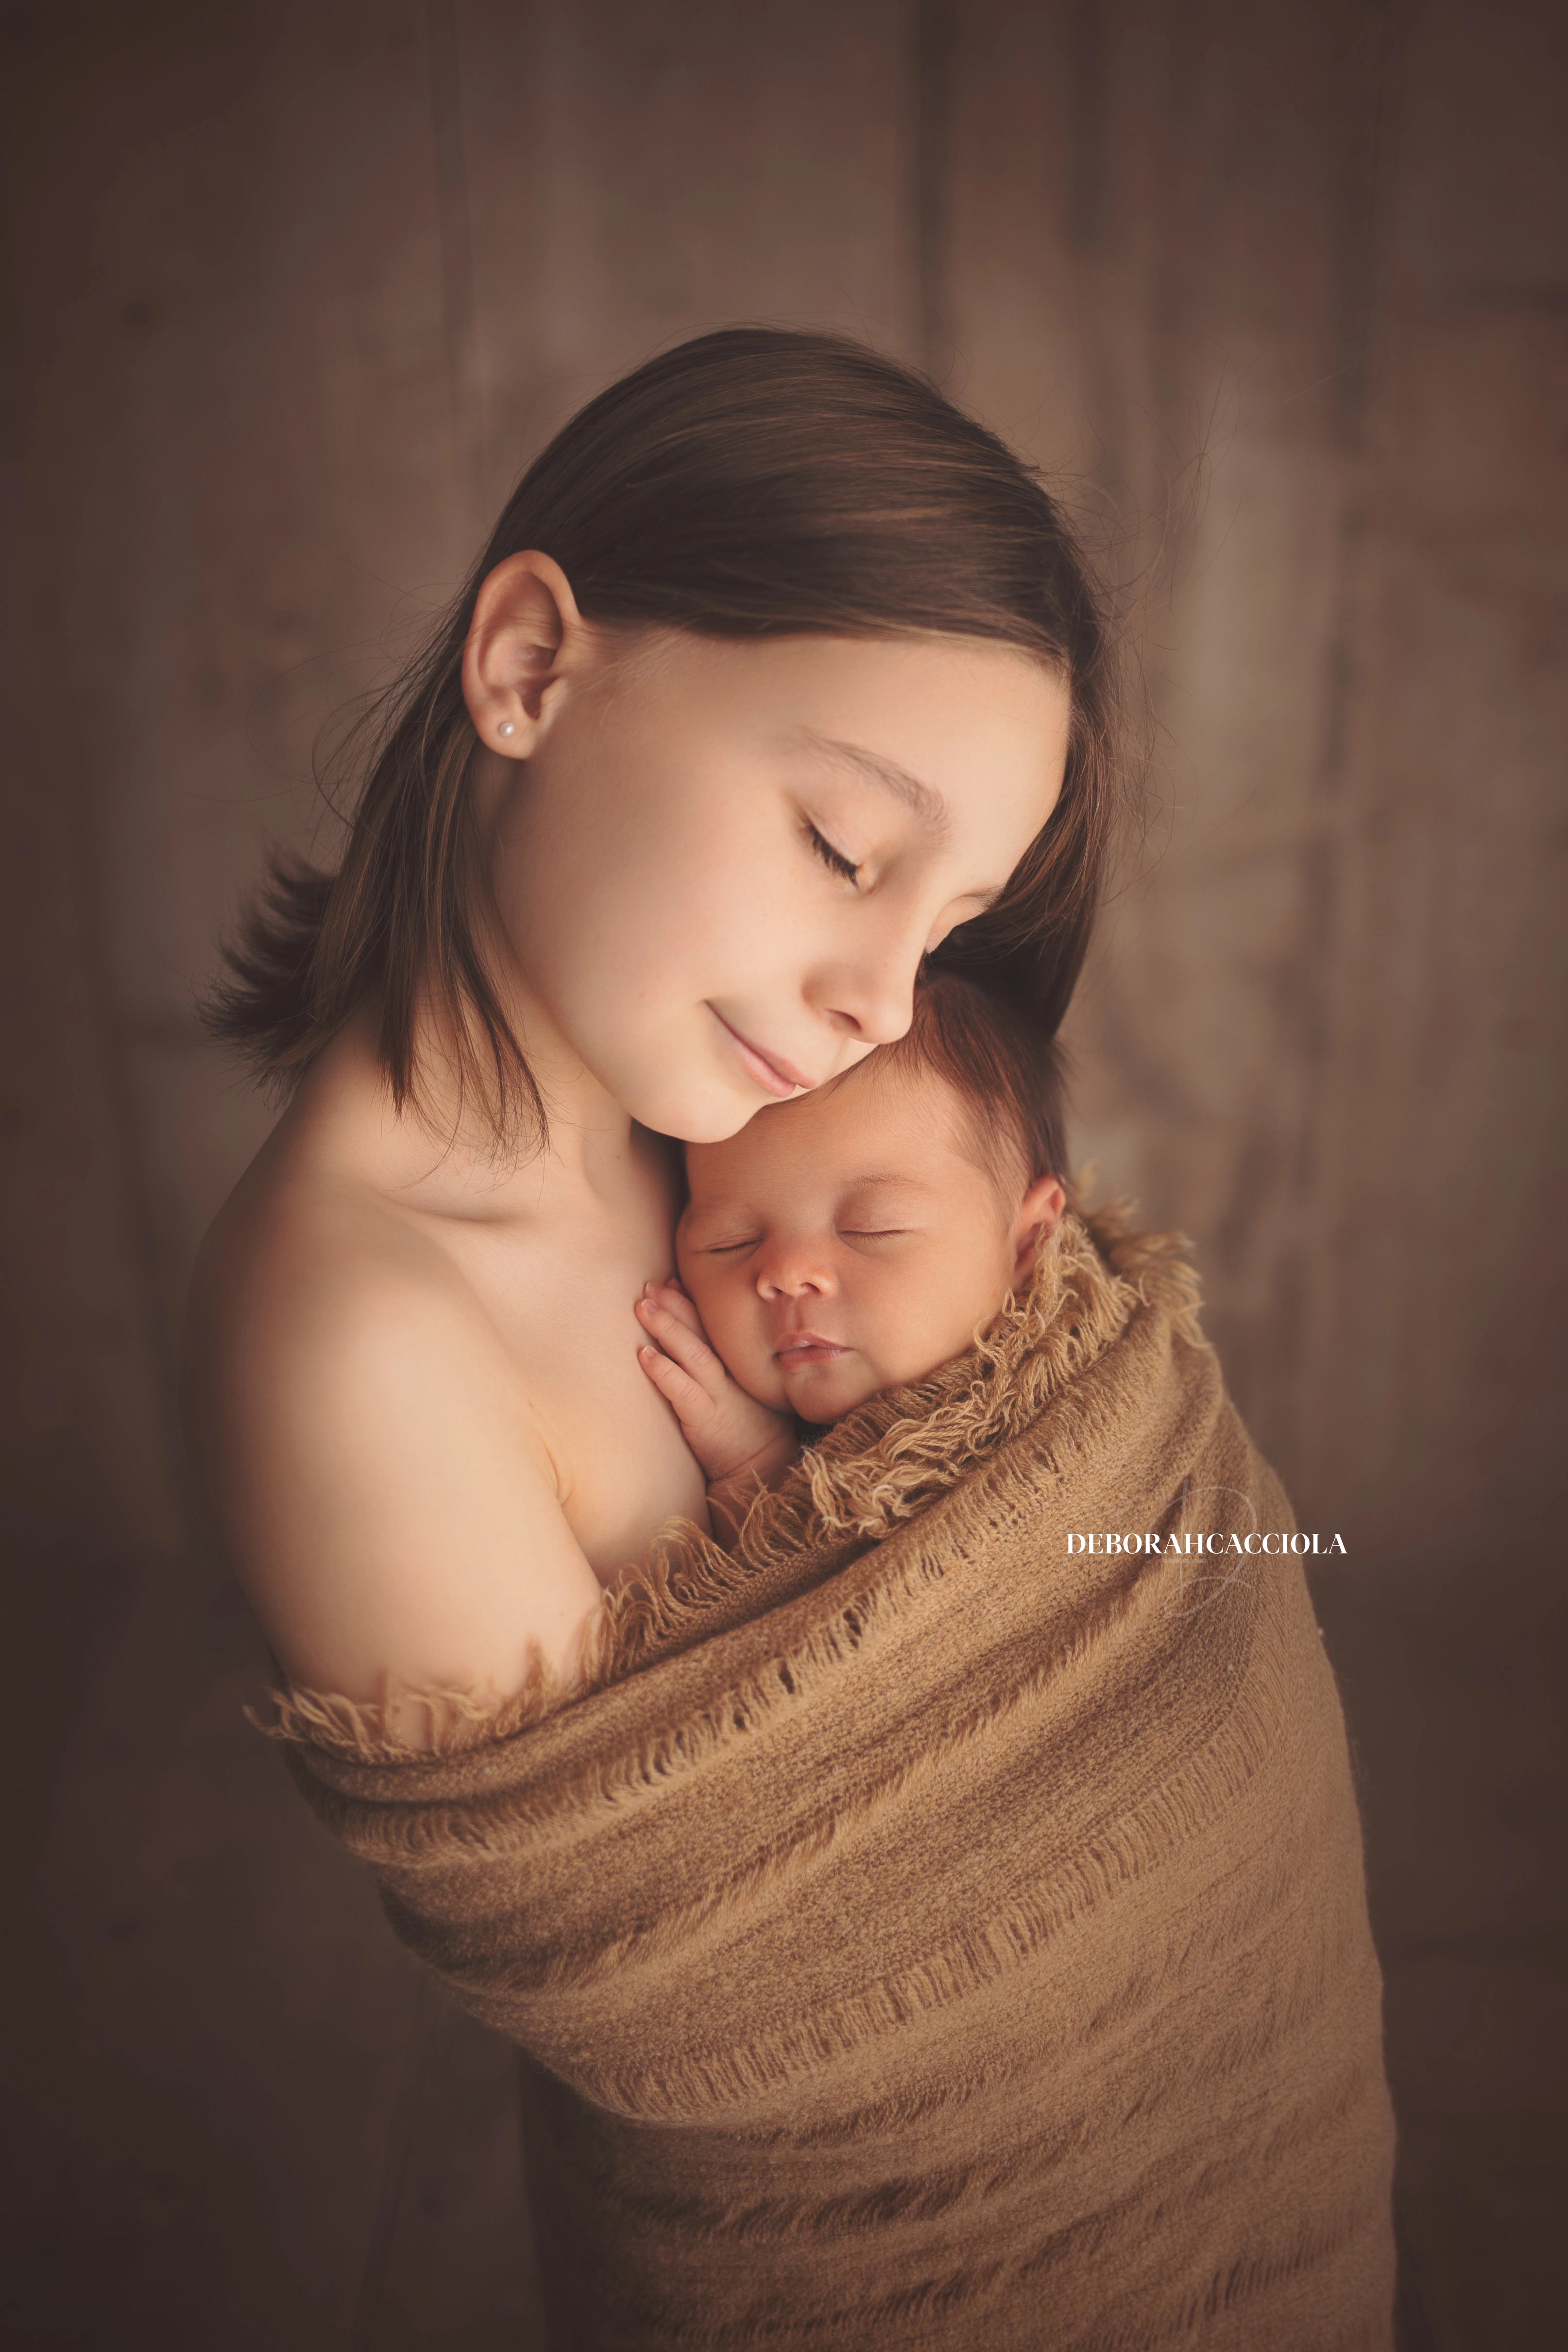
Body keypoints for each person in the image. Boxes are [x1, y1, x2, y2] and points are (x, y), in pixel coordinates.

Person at [184, 326, 1117, 1740]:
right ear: (528, 666)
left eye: (941, 929)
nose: (883, 1000)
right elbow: (668, 1916)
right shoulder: (358, 1344)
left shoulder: (736, 1149)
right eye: (840, 845)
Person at [632, 967, 1070, 1541]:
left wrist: (756, 1471)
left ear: (1028, 1239)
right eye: (729, 1241)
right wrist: (755, 1465)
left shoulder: (1070, 1426)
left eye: (871, 1229)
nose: (786, 1275)